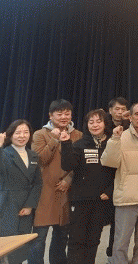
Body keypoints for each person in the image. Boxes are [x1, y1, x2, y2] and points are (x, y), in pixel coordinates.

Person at [100, 102, 138, 264]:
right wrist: (114, 139)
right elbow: (108, 162)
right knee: (121, 240)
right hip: (126, 197)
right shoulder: (121, 136)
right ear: (130, 117)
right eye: (137, 114)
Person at [29, 99, 83, 264]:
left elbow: (81, 164)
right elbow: (40, 160)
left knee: (61, 237)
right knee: (39, 238)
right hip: (44, 193)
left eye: (67, 113)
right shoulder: (40, 134)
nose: (64, 117)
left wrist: (69, 179)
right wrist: (54, 139)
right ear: (50, 116)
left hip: (66, 193)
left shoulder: (78, 135)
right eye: (59, 114)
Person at [60, 109, 114, 264]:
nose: (95, 125)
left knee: (93, 239)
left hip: (101, 200)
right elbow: (67, 165)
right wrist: (65, 143)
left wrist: (109, 191)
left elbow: (118, 172)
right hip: (80, 200)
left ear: (105, 124)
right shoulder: (80, 144)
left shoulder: (112, 144)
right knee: (76, 239)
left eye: (98, 121)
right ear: (87, 125)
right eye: (91, 122)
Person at [0, 120, 42, 264]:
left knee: (21, 245)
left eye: (25, 132)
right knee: (6, 244)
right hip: (6, 205)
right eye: (18, 133)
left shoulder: (33, 155)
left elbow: (37, 183)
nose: (22, 136)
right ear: (10, 135)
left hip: (25, 206)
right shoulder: (4, 153)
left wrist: (30, 205)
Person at [105, 96, 130, 260]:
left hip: (123, 174)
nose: (120, 112)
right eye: (117, 109)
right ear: (110, 110)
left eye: (123, 109)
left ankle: (112, 253)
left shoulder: (130, 125)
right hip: (106, 172)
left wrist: (127, 123)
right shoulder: (103, 125)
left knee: (118, 221)